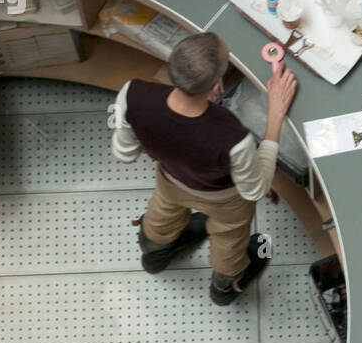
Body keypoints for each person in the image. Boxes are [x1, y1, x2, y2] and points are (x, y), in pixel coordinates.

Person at [111, 33, 297, 306]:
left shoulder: (132, 93)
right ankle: (224, 287)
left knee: (163, 211)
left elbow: (124, 153)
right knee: (229, 238)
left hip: (171, 179)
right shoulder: (233, 138)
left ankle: (155, 254)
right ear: (215, 86)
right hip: (223, 199)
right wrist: (275, 115)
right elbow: (255, 189)